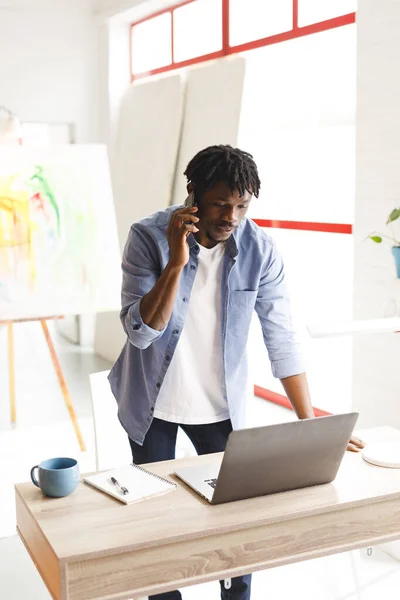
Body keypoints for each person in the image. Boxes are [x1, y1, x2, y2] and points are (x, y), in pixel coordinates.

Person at [108, 144, 364, 600]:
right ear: (194, 197)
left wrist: (310, 422)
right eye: (220, 203)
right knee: (158, 528)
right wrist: (175, 261)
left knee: (238, 525)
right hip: (152, 404)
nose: (231, 216)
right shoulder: (146, 237)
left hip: (221, 406)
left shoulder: (260, 250)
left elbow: (280, 335)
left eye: (242, 205)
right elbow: (142, 333)